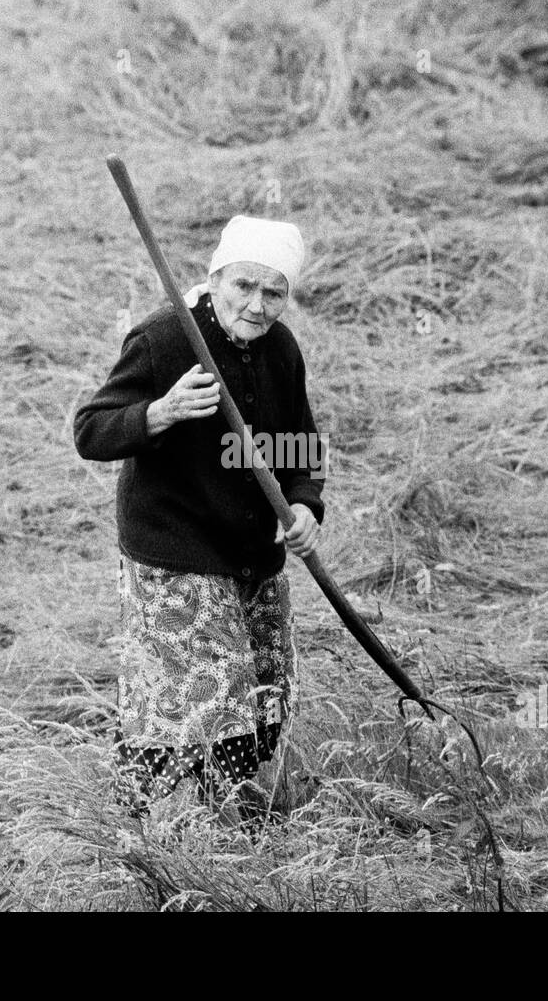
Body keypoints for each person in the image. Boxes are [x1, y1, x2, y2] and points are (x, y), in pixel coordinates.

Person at [73, 215, 326, 825]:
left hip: (250, 550)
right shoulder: (165, 339)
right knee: (210, 693)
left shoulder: (281, 349)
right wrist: (160, 412)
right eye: (243, 286)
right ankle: (139, 826)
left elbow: (297, 443)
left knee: (267, 688)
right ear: (214, 279)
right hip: (175, 547)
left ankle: (233, 824)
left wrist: (302, 505)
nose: (257, 305)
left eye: (274, 292)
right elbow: (91, 430)